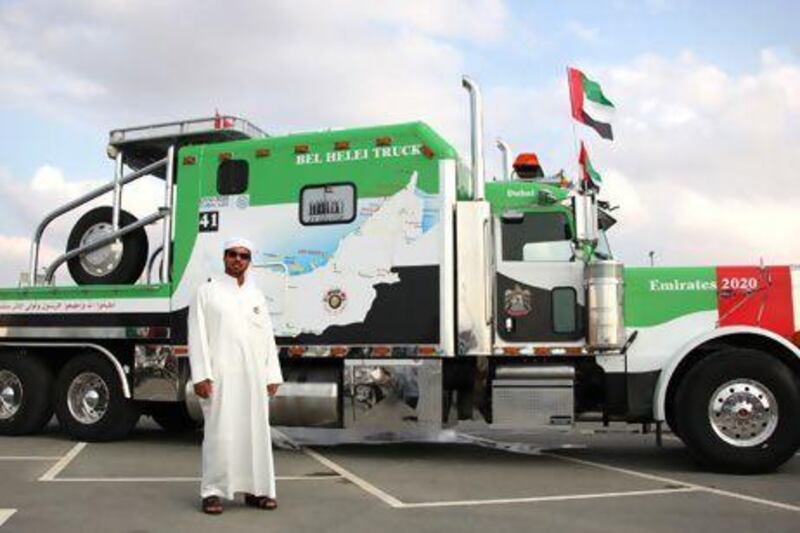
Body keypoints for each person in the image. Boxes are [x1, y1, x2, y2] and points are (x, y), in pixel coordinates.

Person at [188, 237, 283, 515]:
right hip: (221, 376)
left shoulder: (256, 295)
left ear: (249, 261)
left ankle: (257, 491)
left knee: (255, 433)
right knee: (220, 434)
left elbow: (267, 337)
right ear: (224, 257)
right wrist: (201, 375)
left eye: (244, 255)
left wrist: (271, 374)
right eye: (233, 254)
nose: (238, 259)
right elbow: (197, 336)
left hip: (253, 378)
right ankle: (212, 492)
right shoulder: (207, 292)